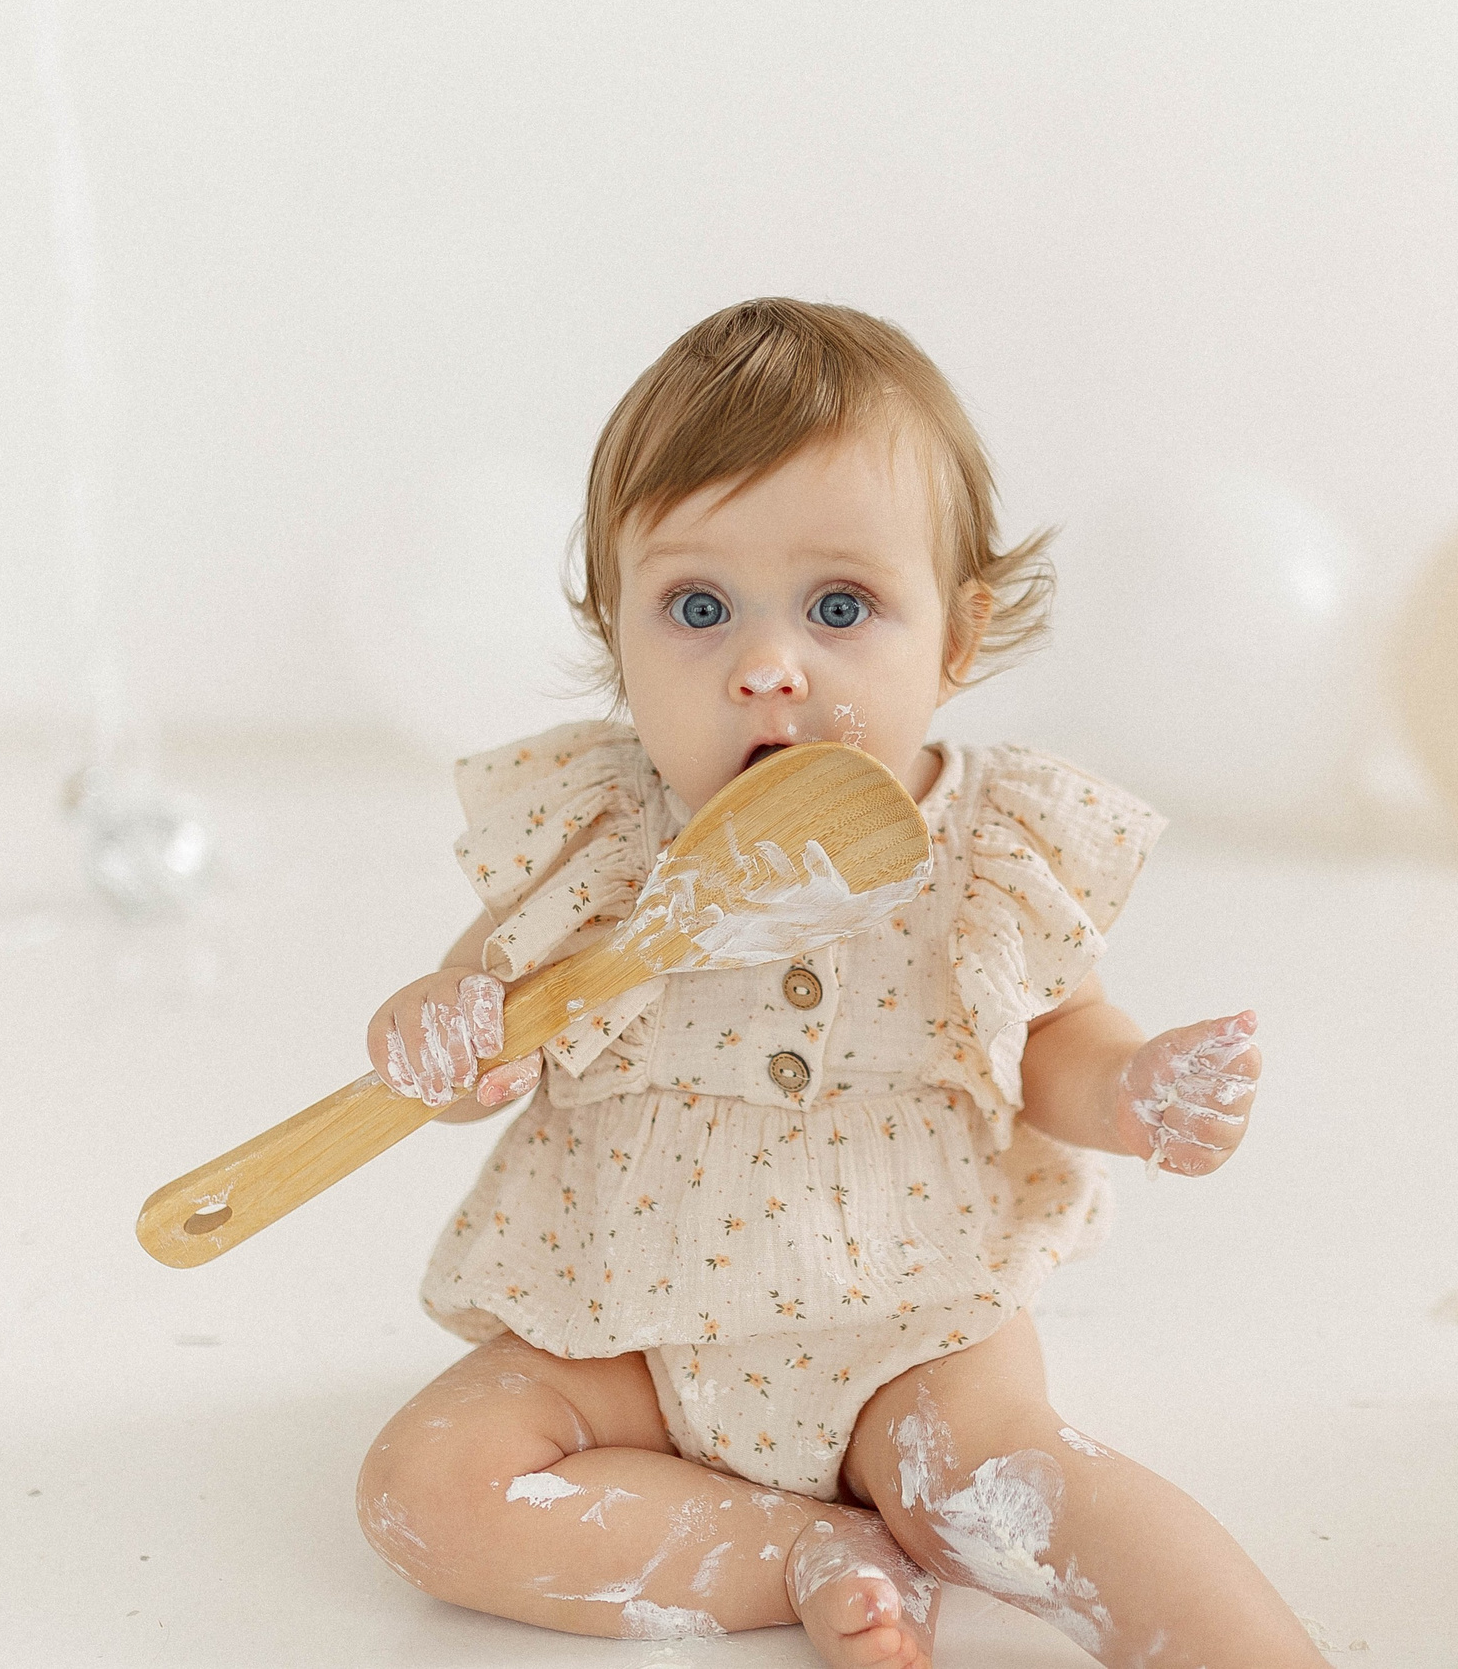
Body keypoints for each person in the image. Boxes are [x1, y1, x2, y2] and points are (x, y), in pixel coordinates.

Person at [354, 298, 1323, 1667]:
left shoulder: (984, 850)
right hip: (627, 1327)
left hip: (909, 1322)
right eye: (698, 609)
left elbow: (1054, 1037)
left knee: (1005, 1488)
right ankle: (799, 1551)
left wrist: (1130, 1089)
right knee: (428, 1491)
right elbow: (489, 1038)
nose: (766, 667)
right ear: (616, 634)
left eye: (840, 607)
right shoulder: (597, 838)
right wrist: (442, 1033)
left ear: (958, 636)